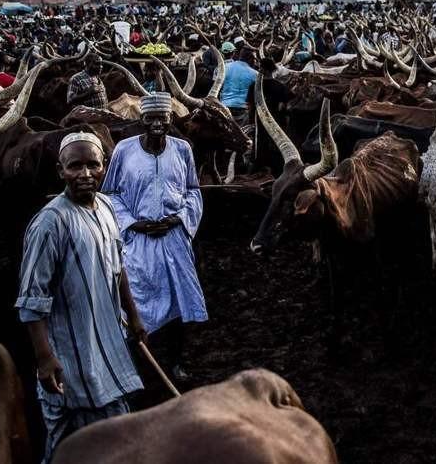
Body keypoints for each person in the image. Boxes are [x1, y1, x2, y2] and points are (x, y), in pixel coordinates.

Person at [16, 133, 146, 463]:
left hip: (108, 348)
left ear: (104, 167)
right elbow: (32, 299)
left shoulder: (105, 208)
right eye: (76, 166)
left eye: (93, 165)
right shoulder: (50, 222)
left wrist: (133, 315)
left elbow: (118, 268)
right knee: (65, 449)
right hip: (70, 365)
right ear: (61, 170)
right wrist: (45, 358)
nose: (85, 174)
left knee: (113, 444)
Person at [102, 93, 207, 381]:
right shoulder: (124, 150)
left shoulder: (182, 149)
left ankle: (176, 361)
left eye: (164, 117)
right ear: (142, 120)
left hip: (174, 239)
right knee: (137, 300)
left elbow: (193, 190)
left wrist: (181, 218)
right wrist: (133, 224)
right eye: (152, 118)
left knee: (177, 302)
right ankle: (139, 363)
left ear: (171, 119)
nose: (158, 123)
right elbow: (109, 194)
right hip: (138, 241)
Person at [219, 45, 258, 123]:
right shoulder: (255, 74)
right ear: (250, 59)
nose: (256, 62)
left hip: (224, 107)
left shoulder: (224, 67)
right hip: (243, 110)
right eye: (255, 59)